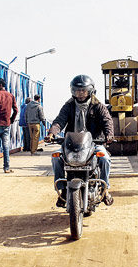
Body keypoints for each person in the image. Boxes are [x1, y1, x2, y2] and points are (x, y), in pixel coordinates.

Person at [44, 75, 115, 207]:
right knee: (56, 158)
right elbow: (59, 121)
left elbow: (107, 121)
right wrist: (51, 133)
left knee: (105, 159)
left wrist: (109, 134)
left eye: (83, 90)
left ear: (90, 91)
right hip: (71, 144)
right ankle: (63, 189)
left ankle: (105, 190)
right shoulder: (69, 106)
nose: (80, 93)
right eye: (77, 90)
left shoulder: (98, 106)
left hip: (94, 143)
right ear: (73, 91)